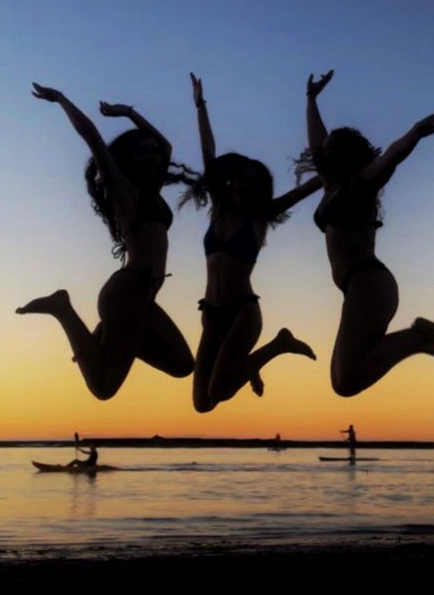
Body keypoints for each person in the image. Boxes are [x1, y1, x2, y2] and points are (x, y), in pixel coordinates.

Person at [16, 84, 195, 401]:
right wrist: (61, 99)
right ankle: (63, 309)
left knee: (183, 365)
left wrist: (129, 113)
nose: (153, 157)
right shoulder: (123, 192)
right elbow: (93, 138)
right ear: (127, 158)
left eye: (153, 153)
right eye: (142, 152)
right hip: (129, 290)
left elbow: (165, 146)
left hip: (142, 297)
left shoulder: (151, 191)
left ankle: (103, 334)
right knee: (103, 387)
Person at [299, 70, 434, 398]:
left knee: (345, 383)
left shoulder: (361, 184)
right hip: (358, 288)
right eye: (327, 148)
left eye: (335, 149)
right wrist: (311, 100)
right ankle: (417, 339)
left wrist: (414, 134)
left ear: (350, 155)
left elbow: (389, 158)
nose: (326, 152)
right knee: (341, 379)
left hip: (368, 284)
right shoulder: (330, 185)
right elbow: (317, 141)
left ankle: (417, 338)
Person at [184, 74, 321, 413]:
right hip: (211, 314)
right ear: (231, 184)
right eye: (242, 181)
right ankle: (252, 365)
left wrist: (312, 104)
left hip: (243, 311)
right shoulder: (218, 208)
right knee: (202, 404)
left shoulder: (261, 216)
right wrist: (200, 105)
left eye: (254, 184)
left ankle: (278, 345)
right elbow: (208, 153)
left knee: (219, 391)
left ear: (261, 190)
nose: (247, 187)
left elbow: (317, 182)